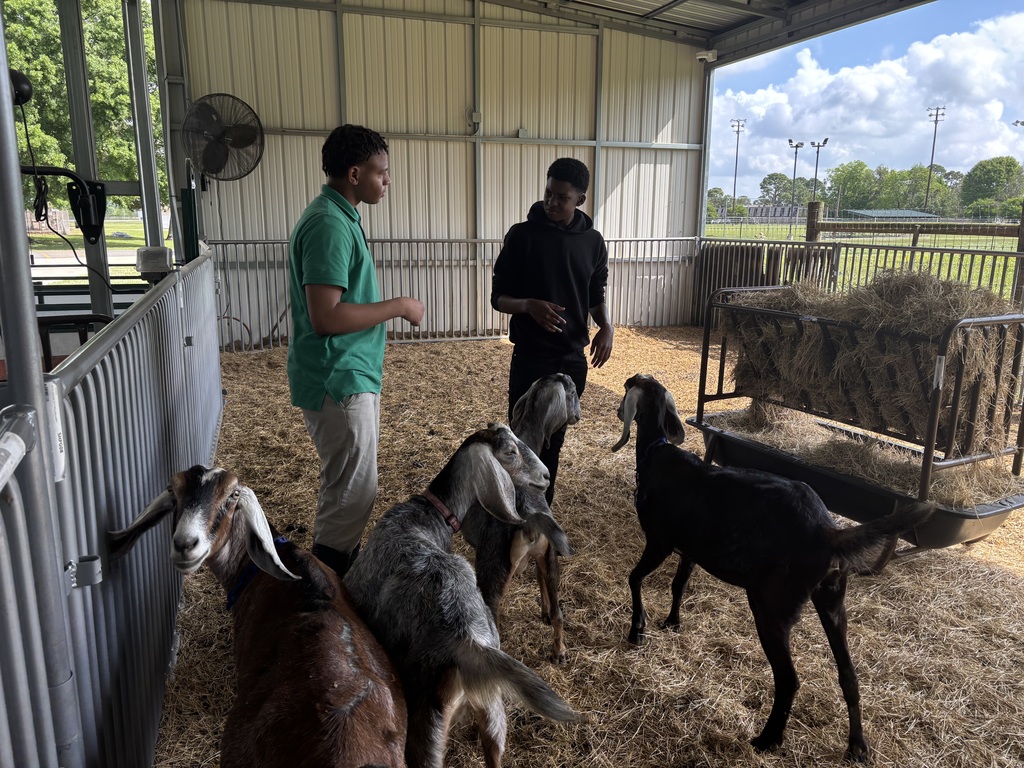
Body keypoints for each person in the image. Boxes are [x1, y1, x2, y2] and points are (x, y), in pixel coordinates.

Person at [287, 124, 425, 579]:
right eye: (381, 173)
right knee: (351, 496)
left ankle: (331, 583)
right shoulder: (329, 223)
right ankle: (326, 594)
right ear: (353, 173)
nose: (387, 181)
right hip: (338, 376)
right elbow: (326, 316)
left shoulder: (339, 215)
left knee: (348, 489)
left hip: (346, 373)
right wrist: (399, 306)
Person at [491, 157, 614, 505]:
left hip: (571, 360)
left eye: (562, 197)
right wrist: (529, 305)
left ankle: (542, 510)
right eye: (548, 193)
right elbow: (498, 297)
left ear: (580, 200)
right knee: (521, 440)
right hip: (530, 356)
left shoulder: (592, 242)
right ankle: (513, 509)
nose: (552, 202)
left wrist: (606, 325)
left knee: (554, 441)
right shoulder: (522, 236)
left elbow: (595, 294)